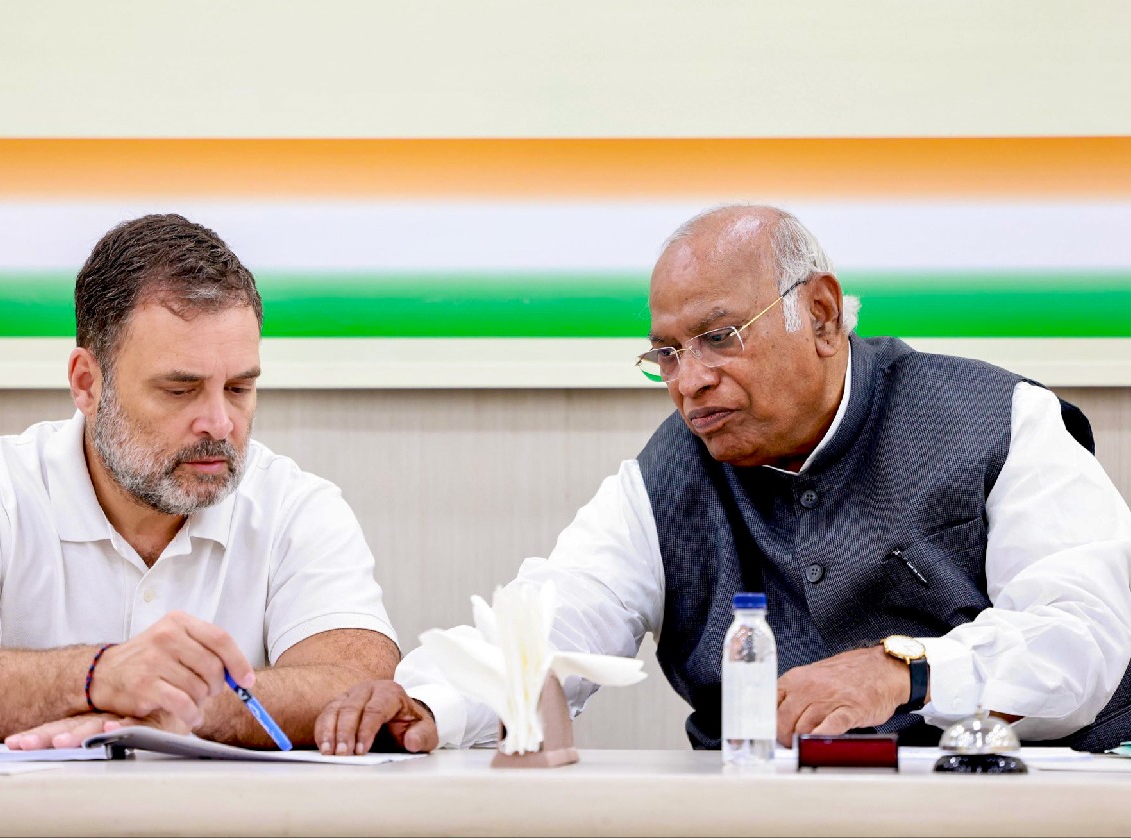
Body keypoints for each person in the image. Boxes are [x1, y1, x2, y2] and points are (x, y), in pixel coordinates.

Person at [314, 204, 1131, 756]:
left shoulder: (1000, 420)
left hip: (1009, 807)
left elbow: (1083, 635)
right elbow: (555, 619)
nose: (689, 381)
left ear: (820, 315)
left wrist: (904, 669)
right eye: (666, 354)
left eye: (719, 337)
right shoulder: (667, 474)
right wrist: (428, 704)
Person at [0, 214, 399, 749]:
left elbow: (361, 689)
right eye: (179, 390)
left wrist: (174, 708)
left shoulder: (297, 507)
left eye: (239, 388)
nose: (219, 423)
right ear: (87, 383)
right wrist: (100, 674)